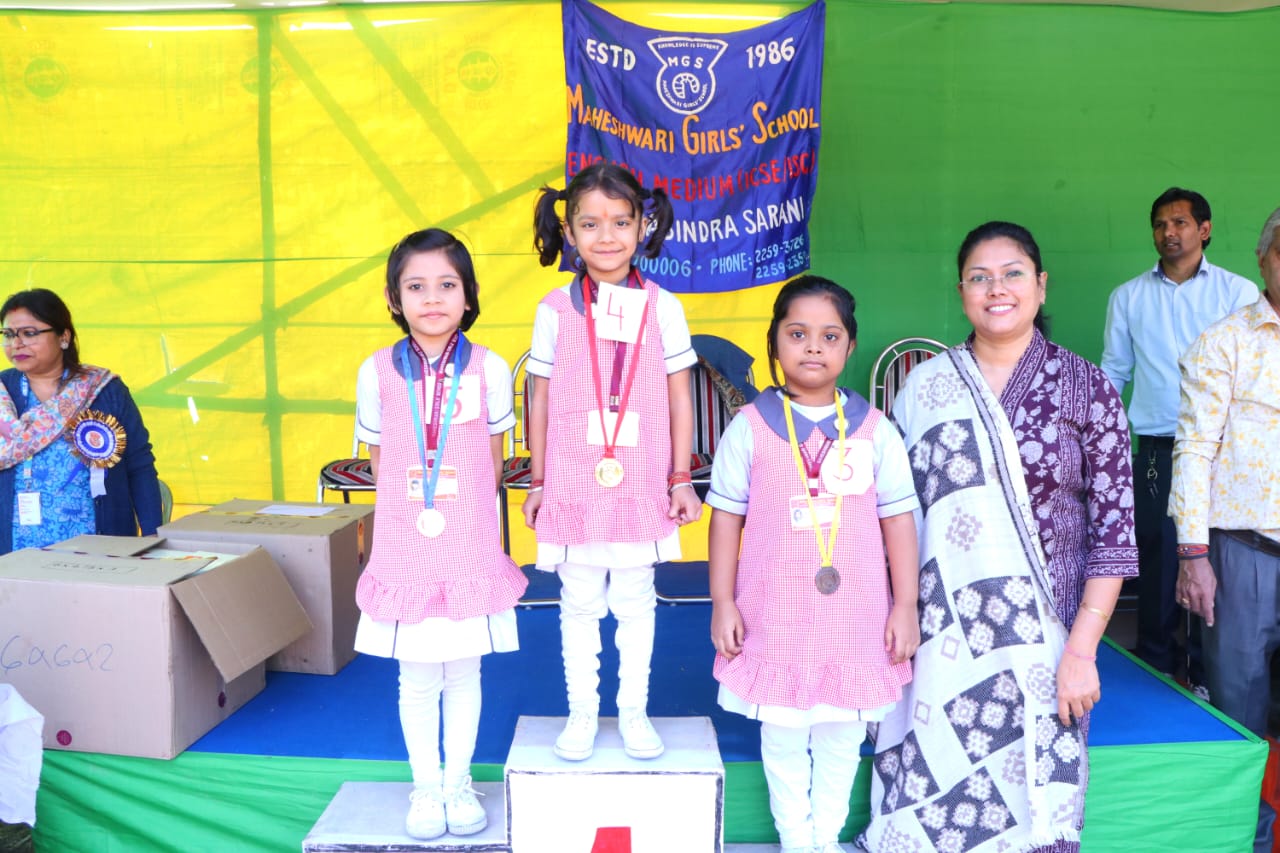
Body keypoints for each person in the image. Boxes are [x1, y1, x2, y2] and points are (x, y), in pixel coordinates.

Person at [861, 222, 1137, 852]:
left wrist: (1083, 651)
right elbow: (891, 517)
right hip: (943, 635)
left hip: (1049, 633)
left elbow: (1115, 530)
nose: (997, 289)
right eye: (979, 277)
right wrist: (898, 612)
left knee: (1034, 789)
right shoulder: (924, 388)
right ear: (961, 292)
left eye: (1013, 273)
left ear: (1041, 285)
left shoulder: (1085, 387)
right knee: (931, 786)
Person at [708, 275, 920, 853]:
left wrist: (905, 604)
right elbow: (725, 519)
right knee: (781, 735)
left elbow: (899, 521)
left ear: (850, 347)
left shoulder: (874, 430)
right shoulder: (750, 427)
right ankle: (795, 839)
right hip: (774, 614)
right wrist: (723, 601)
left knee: (843, 734)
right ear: (774, 341)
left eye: (830, 336)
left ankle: (824, 839)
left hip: (856, 617)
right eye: (797, 334)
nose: (813, 348)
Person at [352, 228, 528, 840]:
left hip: (468, 547)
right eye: (416, 286)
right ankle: (426, 787)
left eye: (447, 285)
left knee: (464, 673)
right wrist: (417, 507)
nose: (432, 298)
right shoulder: (377, 371)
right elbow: (378, 459)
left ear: (469, 294)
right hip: (405, 548)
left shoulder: (490, 367)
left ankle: (458, 783)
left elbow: (494, 459)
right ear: (393, 297)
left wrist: (459, 510)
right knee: (417, 677)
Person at [524, 162, 702, 762]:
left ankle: (632, 712)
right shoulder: (554, 309)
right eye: (591, 224)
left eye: (621, 222)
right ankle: (581, 712)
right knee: (577, 602)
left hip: (641, 482)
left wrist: (681, 477)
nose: (607, 236)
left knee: (635, 600)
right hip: (574, 484)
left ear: (642, 226)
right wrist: (539, 480)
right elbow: (540, 396)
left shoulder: (664, 307)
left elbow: (680, 396)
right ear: (569, 232)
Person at [1100, 187, 1257, 686]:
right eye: (1161, 224)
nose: (1169, 232)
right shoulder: (1128, 297)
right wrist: (1099, 442)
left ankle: (1212, 676)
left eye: (1180, 223)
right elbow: (1114, 372)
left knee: (1224, 561)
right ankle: (1158, 673)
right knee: (1160, 561)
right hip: (1158, 450)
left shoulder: (1237, 293)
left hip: (1226, 452)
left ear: (1204, 230)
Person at [1171, 206, 1280, 853]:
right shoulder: (1225, 341)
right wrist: (1194, 555)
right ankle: (1247, 838)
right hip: (1245, 554)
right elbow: (1193, 449)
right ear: (1264, 260)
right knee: (1239, 710)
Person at [0, 288, 161, 553]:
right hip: (14, 551)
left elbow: (139, 464)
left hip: (97, 549)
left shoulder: (103, 390)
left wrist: (153, 533)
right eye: (8, 335)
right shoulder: (3, 391)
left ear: (64, 337)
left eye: (29, 333)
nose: (16, 344)